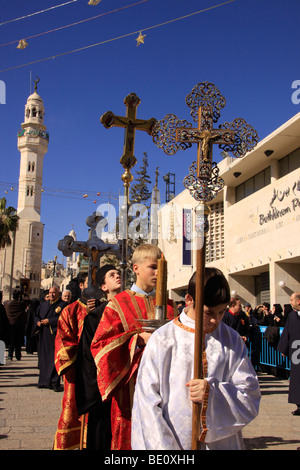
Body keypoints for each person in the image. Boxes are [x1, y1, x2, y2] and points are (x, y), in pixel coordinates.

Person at [131, 268, 261, 450]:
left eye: (222, 312)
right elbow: (147, 402)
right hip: (173, 441)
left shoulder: (231, 339)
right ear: (189, 300)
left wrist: (212, 394)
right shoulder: (163, 339)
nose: (216, 320)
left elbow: (250, 393)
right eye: (209, 313)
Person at [90, 244, 179, 450]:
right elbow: (100, 346)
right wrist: (137, 340)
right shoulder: (119, 304)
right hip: (130, 391)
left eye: (161, 268)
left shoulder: (170, 305)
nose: (158, 273)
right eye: (152, 267)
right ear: (136, 268)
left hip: (167, 389)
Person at [75, 265, 121, 450]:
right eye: (112, 275)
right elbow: (87, 357)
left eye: (118, 274)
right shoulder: (95, 317)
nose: (118, 276)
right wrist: (94, 393)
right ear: (103, 287)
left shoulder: (129, 310)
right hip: (103, 391)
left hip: (126, 388)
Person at [53, 272, 94, 450]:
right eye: (89, 283)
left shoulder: (107, 309)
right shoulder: (70, 311)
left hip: (99, 373)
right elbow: (63, 341)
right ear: (81, 286)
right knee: (71, 414)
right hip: (77, 371)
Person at [33, 286, 67, 389]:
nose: (52, 294)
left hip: (55, 335)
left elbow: (63, 318)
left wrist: (50, 321)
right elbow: (35, 315)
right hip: (44, 335)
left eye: (54, 293)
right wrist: (38, 322)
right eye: (50, 292)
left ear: (58, 294)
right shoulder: (43, 305)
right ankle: (44, 381)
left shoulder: (62, 305)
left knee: (54, 359)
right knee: (44, 359)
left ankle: (54, 382)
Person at [277, 292, 300, 416]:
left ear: (298, 301)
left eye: (292, 300)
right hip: (296, 353)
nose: (290, 302)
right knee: (296, 379)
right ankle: (299, 404)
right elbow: (286, 332)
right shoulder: (291, 316)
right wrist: (284, 349)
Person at [4, 289, 30, 360]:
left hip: (10, 324)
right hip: (19, 325)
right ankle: (18, 355)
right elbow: (29, 301)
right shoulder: (21, 303)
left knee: (11, 341)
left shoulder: (8, 303)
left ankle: (10, 355)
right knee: (18, 341)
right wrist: (25, 294)